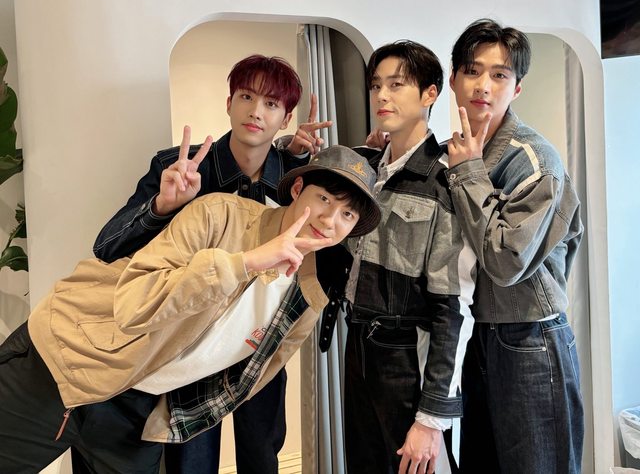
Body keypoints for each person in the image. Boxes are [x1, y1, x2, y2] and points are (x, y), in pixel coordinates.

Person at [0, 145, 381, 473]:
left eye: (347, 214)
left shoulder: (308, 297)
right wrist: (246, 262)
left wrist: (175, 417)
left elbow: (250, 378)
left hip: (138, 411)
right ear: (297, 189)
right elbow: (135, 303)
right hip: (63, 366)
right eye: (324, 199)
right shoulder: (219, 215)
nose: (330, 220)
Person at [91, 54, 330, 473]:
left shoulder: (296, 179)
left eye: (272, 104)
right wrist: (163, 205)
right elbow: (107, 247)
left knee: (261, 456)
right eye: (247, 97)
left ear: (286, 118)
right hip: (192, 345)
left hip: (259, 343)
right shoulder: (181, 167)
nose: (256, 112)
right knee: (191, 463)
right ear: (229, 103)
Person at [446, 18, 584, 473]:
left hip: (530, 337)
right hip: (477, 333)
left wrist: (468, 174)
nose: (483, 85)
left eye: (499, 74)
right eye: (472, 70)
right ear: (453, 78)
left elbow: (506, 262)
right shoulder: (455, 152)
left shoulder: (535, 160)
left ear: (516, 87)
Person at [343, 40, 476, 474]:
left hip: (407, 354)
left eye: (396, 85)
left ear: (429, 94)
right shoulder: (366, 171)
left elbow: (453, 306)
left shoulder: (443, 180)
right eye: (376, 85)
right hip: (357, 342)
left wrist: (433, 417)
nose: (382, 95)